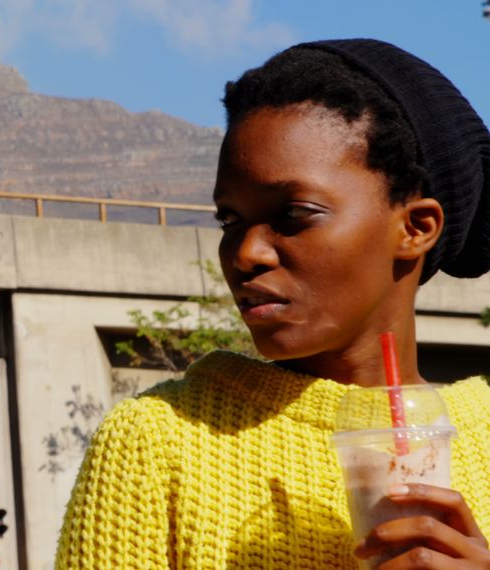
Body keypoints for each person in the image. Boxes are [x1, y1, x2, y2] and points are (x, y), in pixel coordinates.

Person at [56, 39, 490, 569]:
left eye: (294, 213)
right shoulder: (157, 443)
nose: (246, 253)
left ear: (415, 228)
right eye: (230, 220)